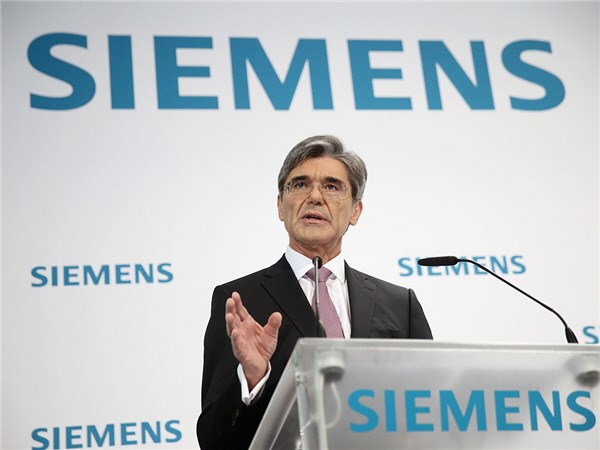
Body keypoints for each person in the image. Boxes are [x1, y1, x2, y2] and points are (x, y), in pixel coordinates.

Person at [196, 135, 432, 449]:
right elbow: (214, 440)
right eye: (300, 184)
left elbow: (431, 410)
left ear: (356, 211)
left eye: (332, 186)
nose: (315, 197)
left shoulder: (400, 303)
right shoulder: (240, 301)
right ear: (280, 206)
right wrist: (252, 378)